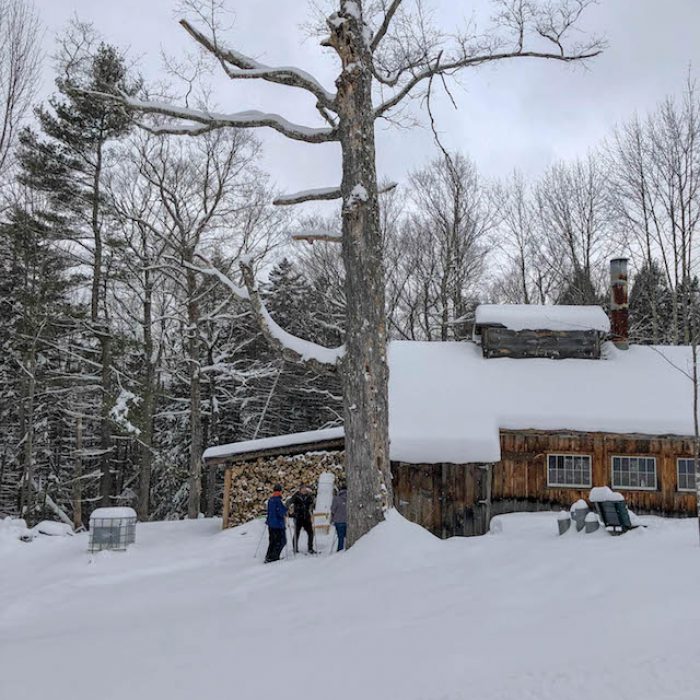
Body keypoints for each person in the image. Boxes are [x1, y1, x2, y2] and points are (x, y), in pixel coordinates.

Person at [287, 484, 315, 554]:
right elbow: (289, 502)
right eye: (303, 489)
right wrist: (288, 509)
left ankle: (310, 548)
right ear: (300, 489)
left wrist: (312, 507)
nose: (304, 490)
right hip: (298, 517)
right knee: (296, 533)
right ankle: (295, 548)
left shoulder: (309, 496)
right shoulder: (296, 496)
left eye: (305, 488)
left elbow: (312, 504)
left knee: (311, 533)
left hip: (306, 517)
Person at [264, 483, 287, 563]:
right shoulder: (278, 501)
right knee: (282, 541)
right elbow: (281, 512)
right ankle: (274, 557)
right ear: (280, 491)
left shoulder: (270, 500)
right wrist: (285, 510)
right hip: (278, 525)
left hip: (271, 524)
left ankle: (268, 556)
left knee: (272, 541)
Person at [331, 482, 347, 551]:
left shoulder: (336, 499)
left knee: (340, 537)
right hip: (348, 520)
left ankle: (340, 551)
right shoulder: (351, 498)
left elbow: (332, 510)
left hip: (338, 521)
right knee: (347, 537)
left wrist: (332, 519)